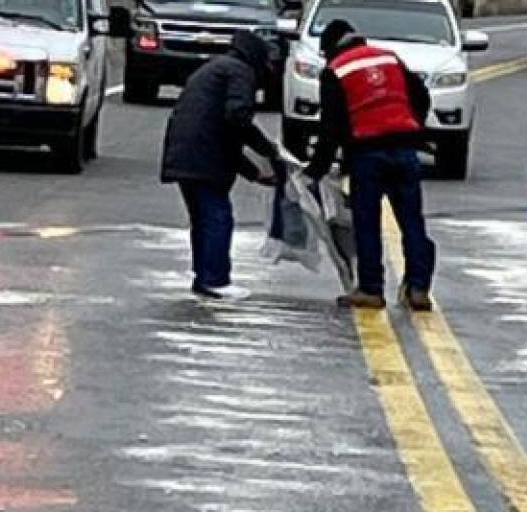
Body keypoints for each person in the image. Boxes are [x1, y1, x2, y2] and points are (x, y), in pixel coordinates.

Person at [304, 20, 435, 310]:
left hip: (367, 153)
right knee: (412, 221)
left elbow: (331, 127)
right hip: (405, 149)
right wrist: (412, 126)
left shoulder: (335, 70)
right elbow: (422, 96)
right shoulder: (388, 57)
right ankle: (418, 288)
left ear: (330, 48)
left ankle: (372, 290)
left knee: (367, 223)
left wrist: (316, 170)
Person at [161, 31, 281, 300]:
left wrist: (253, 173)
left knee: (202, 219)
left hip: (186, 152)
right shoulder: (241, 73)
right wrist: (269, 151)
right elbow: (237, 118)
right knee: (217, 217)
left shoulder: (215, 69)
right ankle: (215, 279)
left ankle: (204, 276)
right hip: (204, 156)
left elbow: (222, 132)